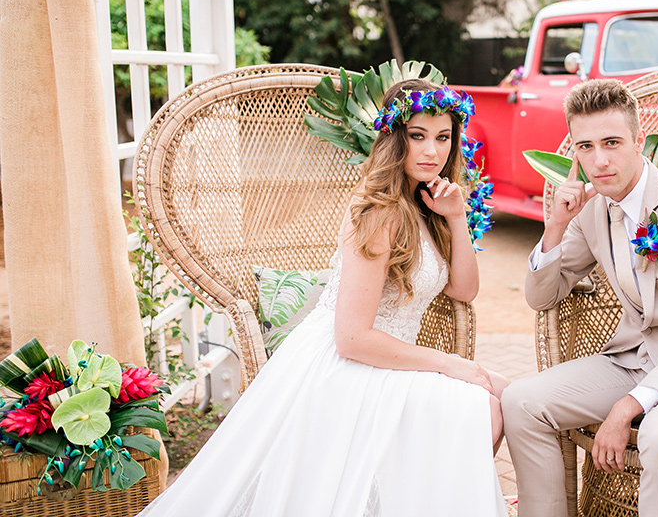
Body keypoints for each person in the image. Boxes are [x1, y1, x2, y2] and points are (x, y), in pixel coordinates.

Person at [139, 79, 508, 517]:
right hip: (347, 364)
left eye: (443, 137)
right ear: (394, 138)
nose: (432, 151)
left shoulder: (429, 204)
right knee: (488, 404)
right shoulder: (378, 211)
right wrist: (449, 363)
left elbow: (464, 289)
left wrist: (457, 218)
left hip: (390, 360)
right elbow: (351, 338)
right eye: (418, 136)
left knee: (511, 397)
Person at [501, 78, 658, 516]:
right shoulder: (590, 209)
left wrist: (628, 407)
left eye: (611, 142)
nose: (599, 160)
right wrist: (554, 226)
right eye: (585, 147)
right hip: (631, 358)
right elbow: (543, 297)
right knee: (521, 401)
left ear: (638, 141)